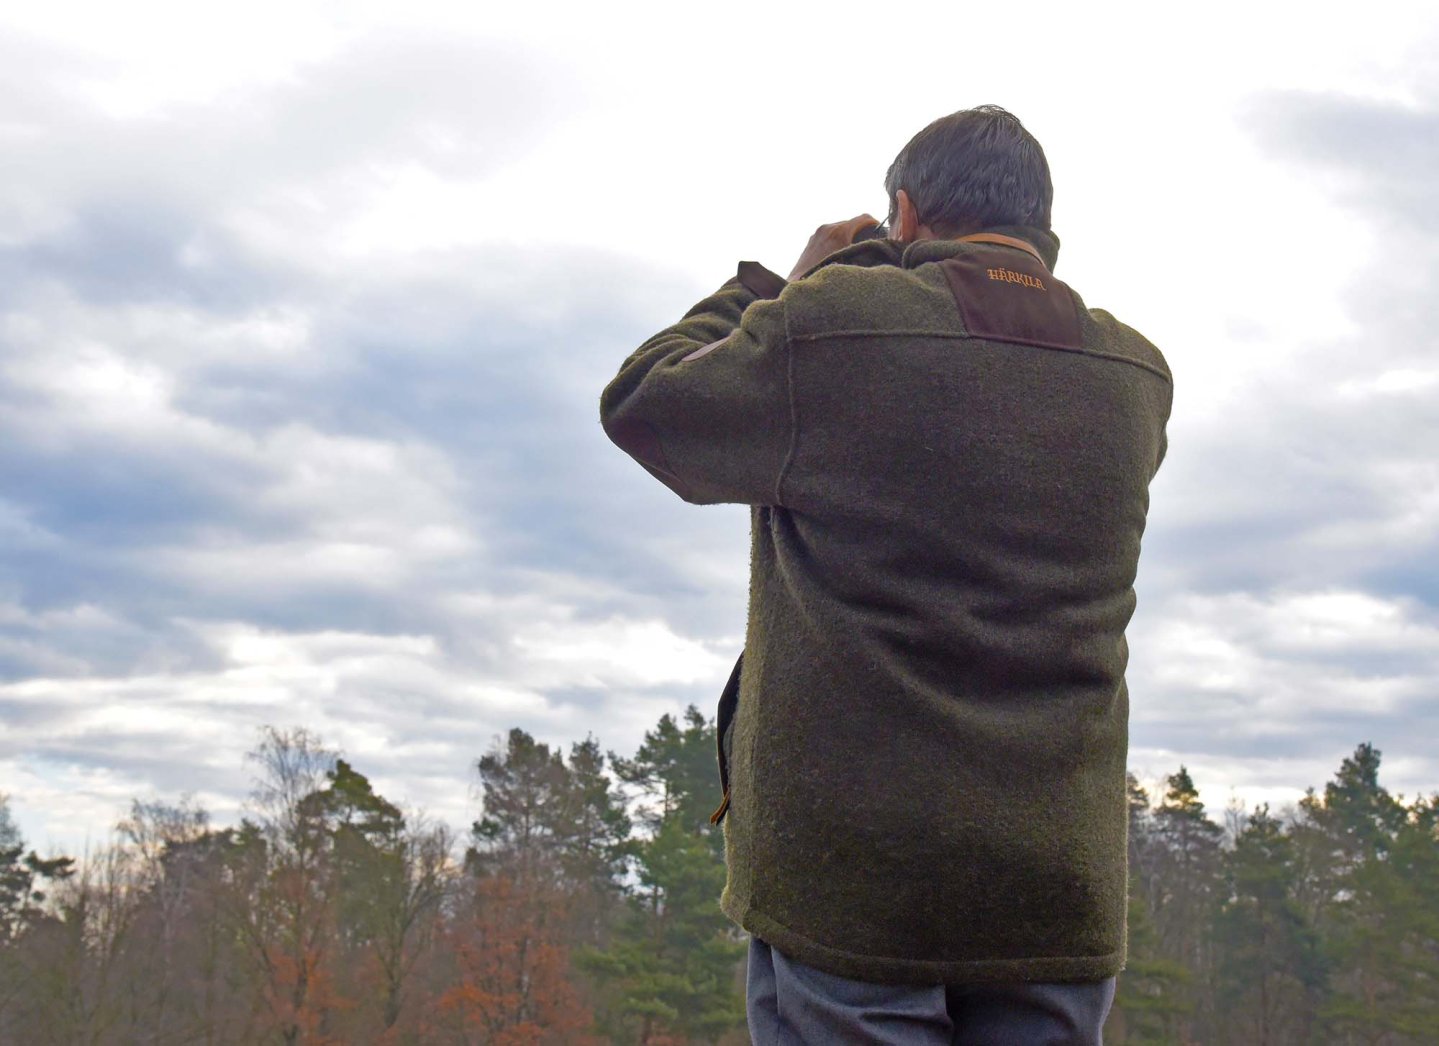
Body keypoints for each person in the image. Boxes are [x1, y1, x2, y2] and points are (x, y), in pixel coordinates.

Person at [599, 105, 1171, 1044]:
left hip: (857, 884)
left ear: (904, 212)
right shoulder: (1136, 374)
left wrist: (784, 285)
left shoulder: (835, 325)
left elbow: (644, 406)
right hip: (1056, 883)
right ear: (1041, 227)